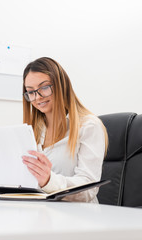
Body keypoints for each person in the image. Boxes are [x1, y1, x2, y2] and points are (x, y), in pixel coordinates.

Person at [21, 57, 108, 203]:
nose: (37, 97)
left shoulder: (89, 126)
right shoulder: (34, 131)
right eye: (31, 92)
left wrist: (49, 181)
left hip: (78, 218)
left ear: (61, 86)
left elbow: (88, 190)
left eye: (44, 87)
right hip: (42, 213)